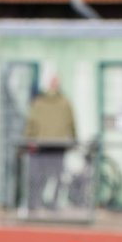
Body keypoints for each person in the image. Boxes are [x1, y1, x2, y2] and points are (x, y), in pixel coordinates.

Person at [22, 75, 77, 214]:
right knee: (53, 177)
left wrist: (29, 138)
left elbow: (31, 123)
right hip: (54, 145)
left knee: (42, 176)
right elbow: (72, 124)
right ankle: (48, 204)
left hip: (46, 145)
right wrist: (73, 139)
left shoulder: (40, 102)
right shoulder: (64, 102)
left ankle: (36, 204)